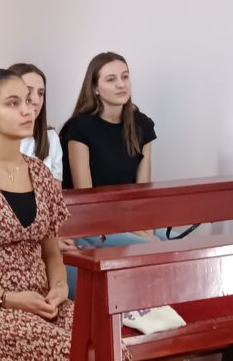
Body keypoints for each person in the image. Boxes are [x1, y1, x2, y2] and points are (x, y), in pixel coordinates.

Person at [0, 69, 131, 360]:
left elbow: (51, 253)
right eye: (13, 103)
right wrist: (9, 299)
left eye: (27, 100)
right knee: (74, 353)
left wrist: (59, 287)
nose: (28, 109)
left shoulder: (40, 173)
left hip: (41, 301)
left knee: (112, 347)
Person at [59, 52, 160, 298]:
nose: (121, 84)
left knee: (182, 246)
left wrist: (146, 230)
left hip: (130, 221)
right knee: (155, 251)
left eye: (125, 77)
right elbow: (87, 202)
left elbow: (142, 193)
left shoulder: (142, 125)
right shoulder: (79, 128)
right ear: (95, 88)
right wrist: (142, 236)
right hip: (89, 225)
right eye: (111, 79)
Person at [8, 63, 63, 181]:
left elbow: (56, 191)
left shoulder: (50, 138)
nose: (36, 100)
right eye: (28, 91)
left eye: (41, 93)